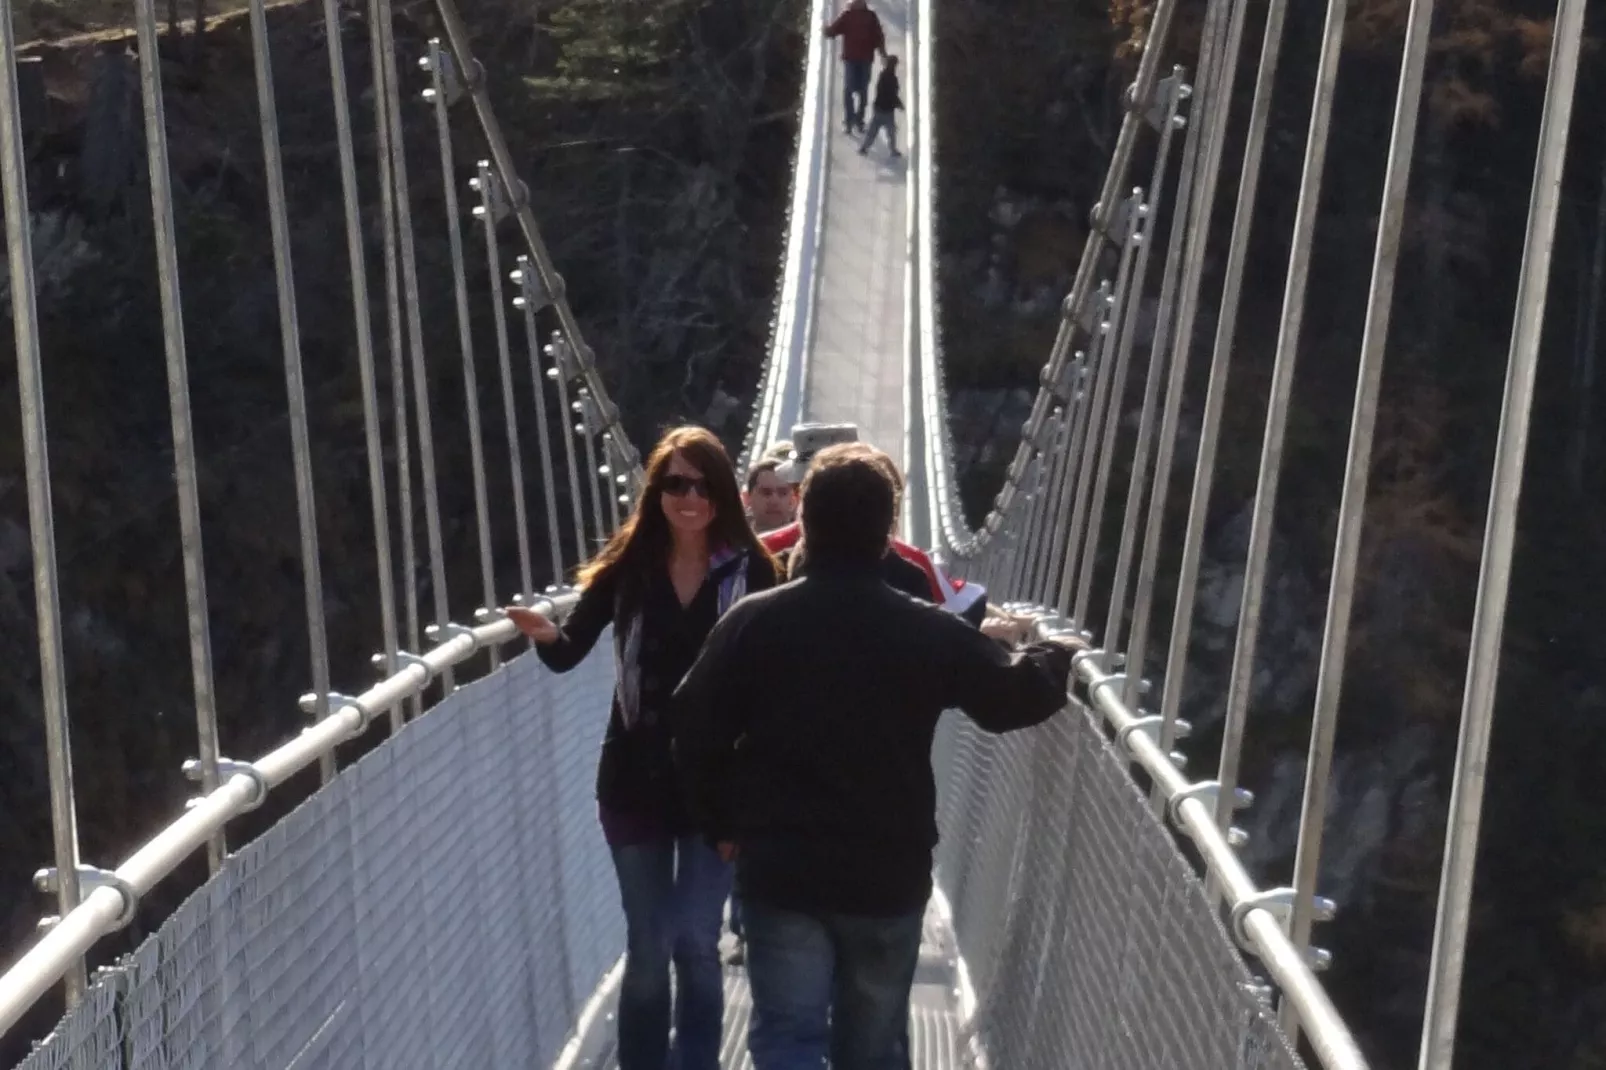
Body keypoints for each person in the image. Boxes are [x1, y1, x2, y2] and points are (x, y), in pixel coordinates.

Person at [672, 446, 1083, 1070]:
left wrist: (722, 821)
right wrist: (1054, 655)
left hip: (782, 868)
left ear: (804, 522)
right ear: (889, 533)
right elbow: (1008, 701)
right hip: (886, 871)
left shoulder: (753, 623)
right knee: (871, 1046)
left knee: (786, 1036)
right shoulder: (926, 629)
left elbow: (691, 723)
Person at [507, 425, 779, 1070]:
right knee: (650, 943)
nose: (689, 498)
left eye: (702, 485)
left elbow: (771, 685)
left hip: (717, 790)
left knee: (695, 940)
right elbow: (569, 655)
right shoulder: (628, 569)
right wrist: (546, 634)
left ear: (723, 496)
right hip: (634, 779)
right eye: (674, 484)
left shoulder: (756, 572)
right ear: (656, 493)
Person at [824, 0, 886, 136]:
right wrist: (826, 30)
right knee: (849, 90)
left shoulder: (870, 17)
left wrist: (883, 54)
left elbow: (878, 37)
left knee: (863, 91)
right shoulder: (848, 16)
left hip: (865, 59)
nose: (859, 3)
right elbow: (834, 30)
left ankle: (859, 120)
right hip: (851, 59)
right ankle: (849, 120)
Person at [858, 55, 904, 159]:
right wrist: (898, 104)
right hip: (887, 110)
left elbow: (887, 93)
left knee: (873, 131)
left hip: (879, 108)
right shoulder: (891, 78)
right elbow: (891, 94)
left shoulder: (883, 76)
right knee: (890, 132)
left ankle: (864, 148)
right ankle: (893, 150)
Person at [745, 457, 797, 534]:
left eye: (783, 493)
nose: (774, 501)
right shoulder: (732, 541)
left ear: (793, 500)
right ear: (748, 498)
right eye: (766, 492)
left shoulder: (808, 543)